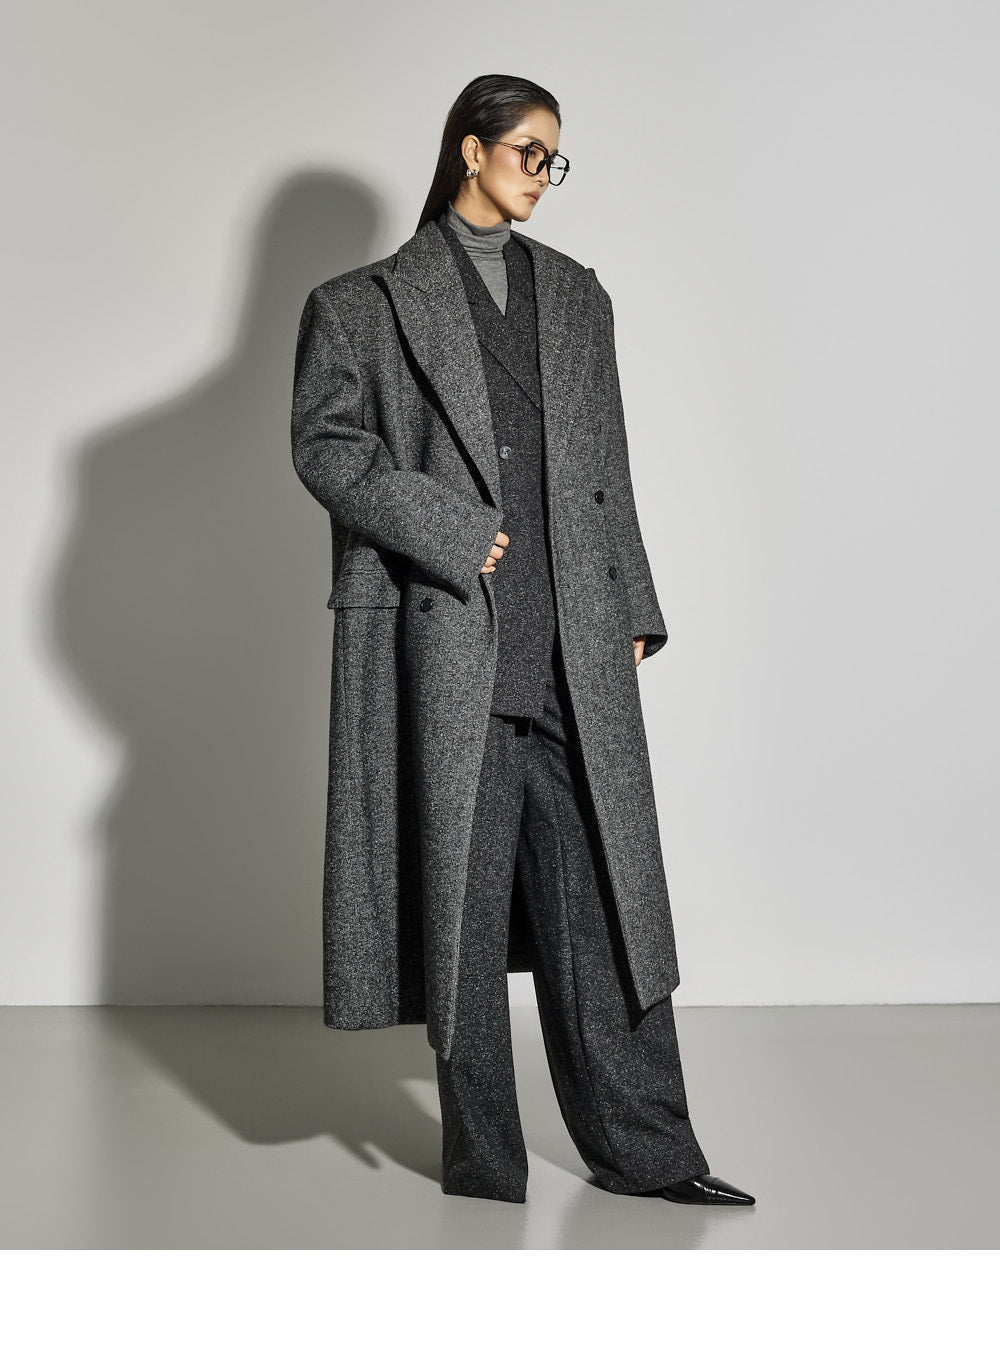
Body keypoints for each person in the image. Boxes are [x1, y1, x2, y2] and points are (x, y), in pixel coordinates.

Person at [290, 73, 755, 1207]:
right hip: (449, 638)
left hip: (574, 642)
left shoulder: (578, 296)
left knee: (605, 905)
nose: (545, 174)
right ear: (471, 150)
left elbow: (606, 467)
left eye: (555, 158)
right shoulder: (361, 303)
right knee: (461, 902)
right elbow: (326, 445)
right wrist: (450, 528)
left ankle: (652, 1154)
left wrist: (632, 605)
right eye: (529, 152)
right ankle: (485, 1162)